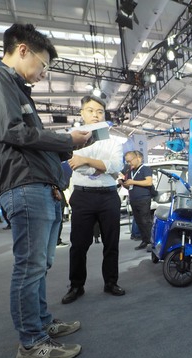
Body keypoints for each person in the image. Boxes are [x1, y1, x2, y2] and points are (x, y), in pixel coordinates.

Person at [0, 23, 92, 358]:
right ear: (22, 50)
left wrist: (66, 150)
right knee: (29, 267)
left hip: (37, 183)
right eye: (44, 65)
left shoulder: (12, 86)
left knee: (39, 265)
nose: (43, 74)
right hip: (23, 183)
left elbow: (24, 135)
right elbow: (12, 132)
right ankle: (31, 343)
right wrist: (66, 141)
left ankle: (41, 323)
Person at [62, 95, 125, 304]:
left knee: (111, 243)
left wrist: (87, 160)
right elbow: (73, 163)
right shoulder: (72, 138)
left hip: (108, 195)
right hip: (82, 195)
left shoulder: (115, 140)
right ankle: (76, 285)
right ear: (81, 113)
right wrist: (101, 165)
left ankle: (111, 282)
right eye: (90, 110)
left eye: (99, 111)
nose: (95, 114)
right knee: (78, 244)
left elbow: (116, 166)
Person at [120, 150, 153, 251]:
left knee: (145, 221)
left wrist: (133, 181)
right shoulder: (130, 171)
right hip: (133, 199)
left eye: (130, 161)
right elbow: (130, 185)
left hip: (143, 199)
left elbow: (149, 182)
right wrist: (123, 183)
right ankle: (145, 240)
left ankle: (152, 242)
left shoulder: (145, 169)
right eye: (127, 162)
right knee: (139, 221)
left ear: (137, 158)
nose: (129, 164)